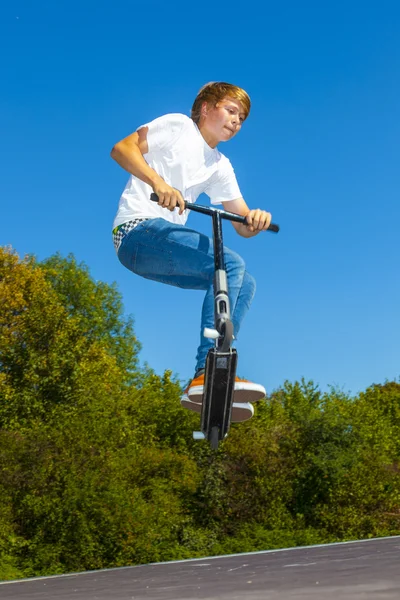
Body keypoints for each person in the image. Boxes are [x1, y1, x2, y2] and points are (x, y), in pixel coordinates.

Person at [111, 82, 272, 423]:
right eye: (231, 110)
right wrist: (158, 183)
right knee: (228, 263)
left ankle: (216, 369)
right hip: (137, 231)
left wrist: (254, 219)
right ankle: (208, 366)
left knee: (245, 282)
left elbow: (241, 223)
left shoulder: (220, 165)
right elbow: (122, 149)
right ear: (205, 108)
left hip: (159, 248)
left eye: (241, 117)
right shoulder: (178, 126)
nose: (236, 120)